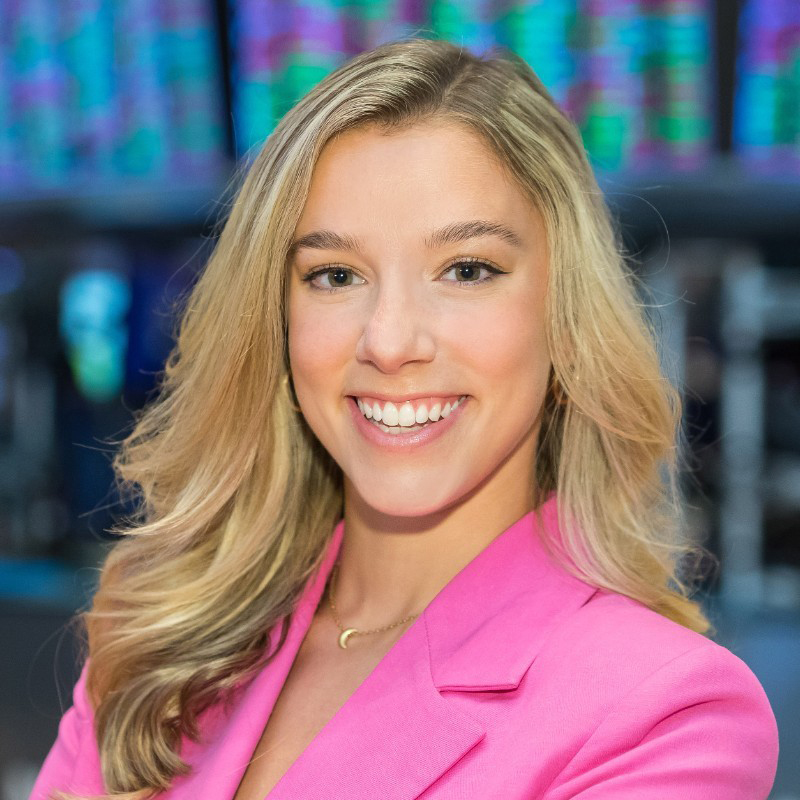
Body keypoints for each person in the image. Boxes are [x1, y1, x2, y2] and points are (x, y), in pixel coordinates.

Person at [31, 37, 778, 800]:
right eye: (334, 275)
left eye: (467, 270)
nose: (388, 342)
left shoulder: (667, 714)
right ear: (277, 323)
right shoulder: (158, 639)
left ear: (564, 317)